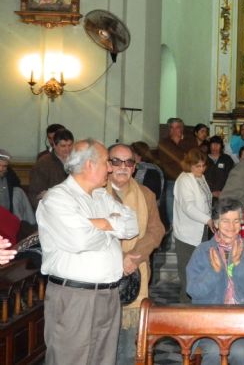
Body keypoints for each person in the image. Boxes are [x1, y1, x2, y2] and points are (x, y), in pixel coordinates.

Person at [36, 139, 140, 365]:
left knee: (104, 360)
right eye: (106, 163)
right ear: (90, 165)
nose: (111, 168)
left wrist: (97, 224)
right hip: (75, 297)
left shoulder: (101, 196)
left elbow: (132, 225)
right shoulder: (58, 198)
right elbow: (80, 240)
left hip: (109, 295)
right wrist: (110, 226)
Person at [106, 144, 165, 365]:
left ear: (134, 167)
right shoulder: (95, 192)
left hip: (134, 273)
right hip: (100, 275)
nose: (123, 167)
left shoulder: (146, 194)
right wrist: (117, 258)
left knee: (128, 345)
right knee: (101, 341)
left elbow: (156, 230)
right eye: (117, 161)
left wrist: (135, 256)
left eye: (128, 162)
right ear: (108, 165)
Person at [187, 199, 244, 365]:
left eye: (236, 220)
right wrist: (213, 272)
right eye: (226, 221)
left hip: (241, 321)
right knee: (214, 352)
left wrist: (237, 264)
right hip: (210, 321)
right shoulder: (202, 251)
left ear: (241, 223)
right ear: (216, 223)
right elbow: (193, 290)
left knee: (240, 353)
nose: (231, 225)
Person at [173, 148, 214, 303]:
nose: (201, 169)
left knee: (199, 272)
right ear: (189, 165)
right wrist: (208, 220)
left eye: (203, 166)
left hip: (201, 231)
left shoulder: (200, 177)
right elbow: (188, 208)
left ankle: (196, 308)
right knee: (188, 275)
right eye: (197, 166)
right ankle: (185, 312)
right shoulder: (184, 180)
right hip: (187, 234)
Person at [158, 117, 196, 225]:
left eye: (177, 128)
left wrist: (177, 154)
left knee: (188, 210)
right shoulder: (164, 142)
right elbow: (165, 159)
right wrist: (182, 157)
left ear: (182, 129)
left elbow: (193, 159)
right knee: (171, 213)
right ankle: (172, 237)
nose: (174, 131)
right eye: (172, 128)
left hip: (188, 181)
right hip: (171, 181)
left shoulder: (190, 142)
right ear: (169, 129)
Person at [28, 128, 74, 210]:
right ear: (54, 145)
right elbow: (36, 195)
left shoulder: (77, 161)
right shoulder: (43, 163)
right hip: (51, 208)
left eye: (70, 145)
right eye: (63, 146)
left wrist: (50, 192)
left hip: (74, 204)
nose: (67, 149)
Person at [0, 148, 35, 225]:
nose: (1, 169)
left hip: (7, 218)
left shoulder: (8, 176)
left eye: (4, 166)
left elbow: (17, 184)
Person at [204, 135, 236, 200]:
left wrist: (224, 191)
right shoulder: (204, 159)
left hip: (224, 194)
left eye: (218, 144)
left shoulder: (227, 159)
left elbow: (233, 177)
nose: (215, 146)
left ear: (221, 146)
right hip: (206, 194)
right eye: (213, 144)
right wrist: (211, 193)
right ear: (209, 145)